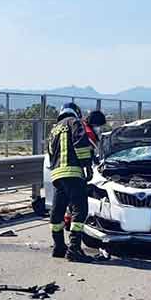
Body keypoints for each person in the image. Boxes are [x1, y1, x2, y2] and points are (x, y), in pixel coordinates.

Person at [48, 103, 94, 262]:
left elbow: (50, 152)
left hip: (57, 176)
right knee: (79, 211)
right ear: (76, 113)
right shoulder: (75, 123)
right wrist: (87, 165)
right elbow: (80, 144)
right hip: (73, 173)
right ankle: (74, 248)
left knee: (57, 212)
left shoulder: (54, 129)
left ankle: (59, 247)